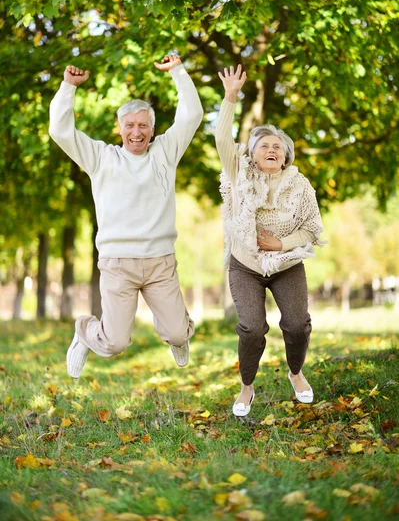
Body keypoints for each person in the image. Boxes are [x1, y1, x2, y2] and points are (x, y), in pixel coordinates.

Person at [49, 53, 203, 378]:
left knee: (178, 332)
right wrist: (68, 87)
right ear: (119, 128)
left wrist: (177, 71)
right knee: (114, 343)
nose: (136, 132)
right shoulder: (101, 158)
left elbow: (192, 115)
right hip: (118, 263)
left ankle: (177, 336)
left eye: (143, 126)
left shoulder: (166, 151)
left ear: (152, 129)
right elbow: (61, 131)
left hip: (160, 262)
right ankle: (84, 331)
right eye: (130, 125)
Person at [215, 65, 324, 416]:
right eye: (264, 145)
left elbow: (313, 229)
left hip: (286, 264)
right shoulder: (238, 174)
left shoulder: (301, 185)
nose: (272, 149)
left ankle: (295, 372)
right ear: (252, 154)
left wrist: (283, 243)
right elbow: (221, 139)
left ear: (286, 155)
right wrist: (231, 95)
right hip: (245, 265)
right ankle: (247, 386)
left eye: (278, 146)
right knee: (251, 328)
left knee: (296, 324)